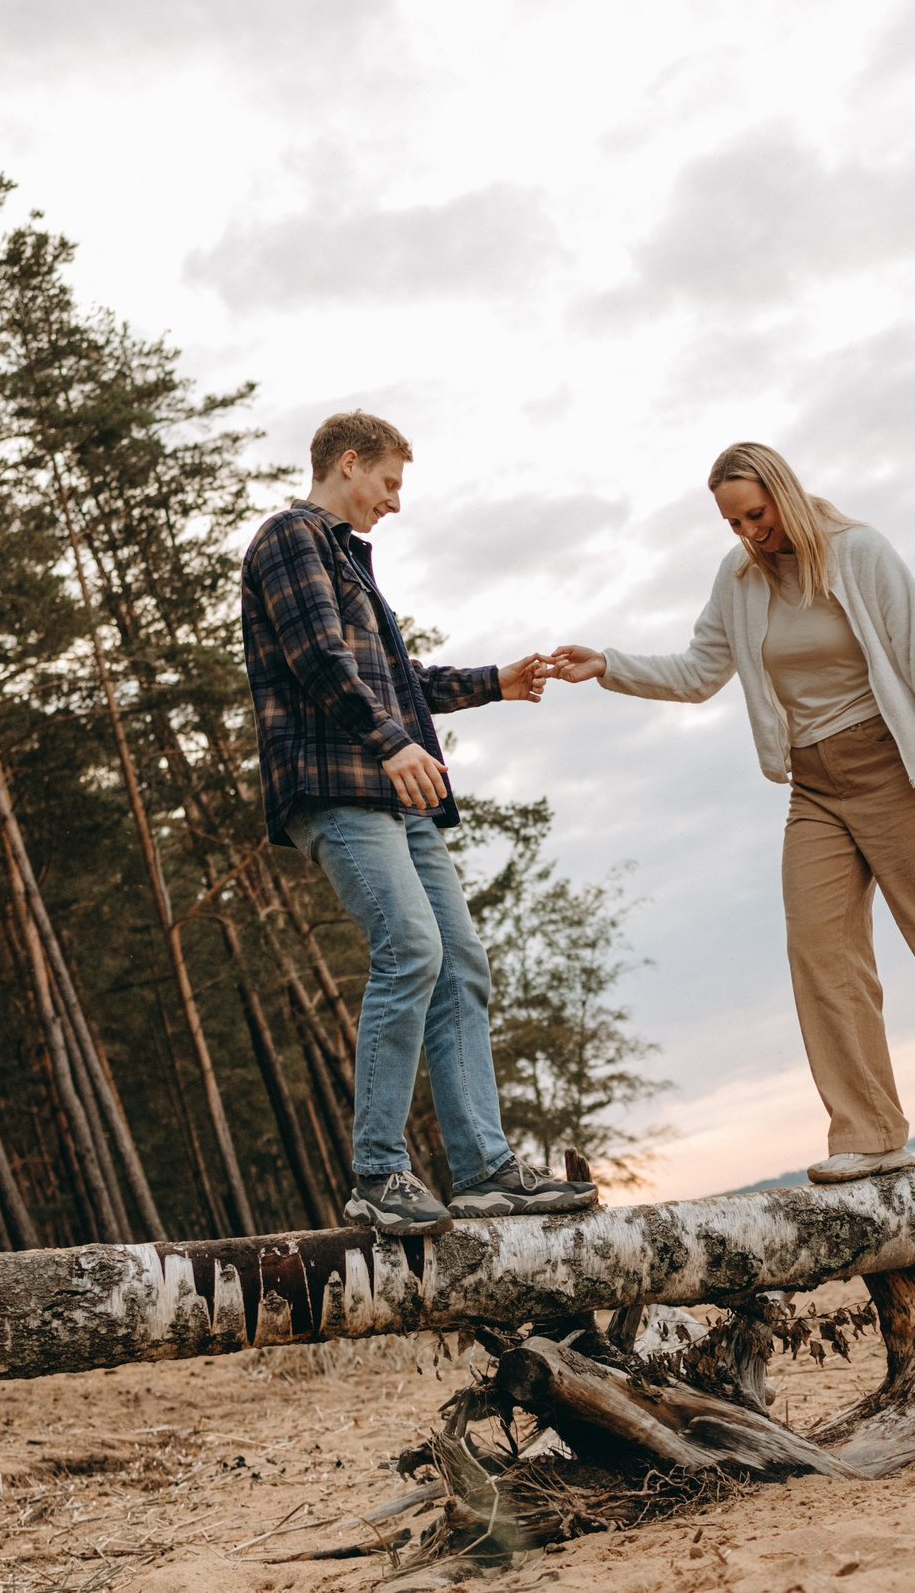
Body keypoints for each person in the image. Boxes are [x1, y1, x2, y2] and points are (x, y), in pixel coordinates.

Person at [550, 442, 915, 1184]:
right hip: (816, 786)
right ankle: (868, 1133)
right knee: (819, 949)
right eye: (733, 523)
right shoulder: (737, 580)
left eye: (755, 515)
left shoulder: (859, 552)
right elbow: (700, 672)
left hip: (899, 768)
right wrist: (608, 663)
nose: (747, 533)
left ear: (784, 493)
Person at [242, 410, 598, 1235]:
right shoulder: (288, 537)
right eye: (391, 484)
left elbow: (399, 677)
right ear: (351, 462)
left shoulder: (351, 567)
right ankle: (378, 1173)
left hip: (398, 794)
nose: (395, 503)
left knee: (461, 961)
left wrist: (495, 682)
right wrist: (394, 743)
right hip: (340, 786)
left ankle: (484, 1170)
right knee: (410, 948)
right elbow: (318, 662)